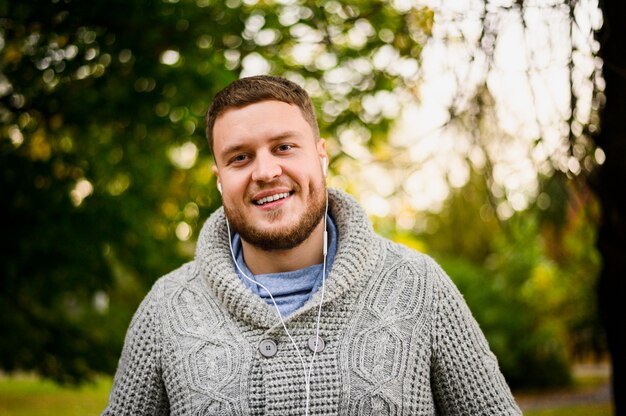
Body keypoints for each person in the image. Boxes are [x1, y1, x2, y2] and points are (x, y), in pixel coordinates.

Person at [103, 75, 522, 415]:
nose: (266, 171)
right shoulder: (166, 307)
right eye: (240, 158)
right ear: (219, 179)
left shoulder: (419, 286)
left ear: (321, 156)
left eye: (284, 147)